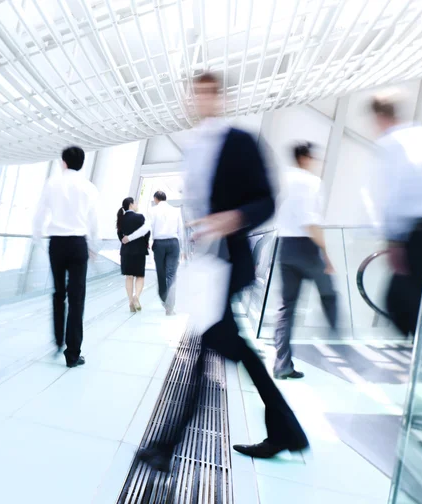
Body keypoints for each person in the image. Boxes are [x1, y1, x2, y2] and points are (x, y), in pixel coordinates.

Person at [138, 72, 308, 472]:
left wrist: (233, 218)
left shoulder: (239, 142)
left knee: (204, 350)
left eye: (207, 94)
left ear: (221, 98)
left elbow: (266, 200)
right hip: (208, 265)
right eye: (193, 94)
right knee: (226, 348)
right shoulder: (194, 148)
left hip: (229, 262)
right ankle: (286, 431)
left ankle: (168, 445)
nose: (199, 101)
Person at [369, 89, 422, 337]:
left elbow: (394, 193)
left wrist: (393, 239)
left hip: (412, 231)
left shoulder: (391, 143)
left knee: (398, 300)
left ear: (379, 116)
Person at [273, 141, 338, 380]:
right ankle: (339, 344)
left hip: (285, 246)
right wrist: (326, 256)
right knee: (329, 293)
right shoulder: (311, 182)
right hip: (306, 247)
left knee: (286, 308)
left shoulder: (285, 181)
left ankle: (282, 364)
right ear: (305, 158)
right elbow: (311, 223)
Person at [33, 146, 99, 368]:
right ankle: (73, 354)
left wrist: (37, 239)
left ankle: (58, 340)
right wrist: (93, 246)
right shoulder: (88, 187)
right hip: (78, 243)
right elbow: (93, 221)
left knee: (58, 293)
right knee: (77, 298)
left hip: (57, 243)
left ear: (63, 162)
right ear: (81, 163)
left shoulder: (52, 183)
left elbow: (40, 214)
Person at [124, 191, 184, 315]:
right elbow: (181, 231)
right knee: (172, 275)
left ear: (155, 199)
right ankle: (170, 307)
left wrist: (129, 238)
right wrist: (182, 249)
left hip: (159, 245)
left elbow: (145, 229)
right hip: (174, 243)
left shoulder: (153, 211)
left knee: (161, 274)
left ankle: (164, 299)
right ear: (165, 199)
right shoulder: (176, 210)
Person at [117, 197, 150, 312]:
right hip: (139, 250)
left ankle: (130, 302)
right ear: (131, 204)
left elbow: (120, 235)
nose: (136, 205)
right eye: (135, 203)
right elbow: (146, 232)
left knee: (129, 276)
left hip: (126, 251)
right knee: (140, 276)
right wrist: (146, 243)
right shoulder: (140, 217)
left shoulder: (121, 218)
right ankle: (136, 298)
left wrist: (124, 240)